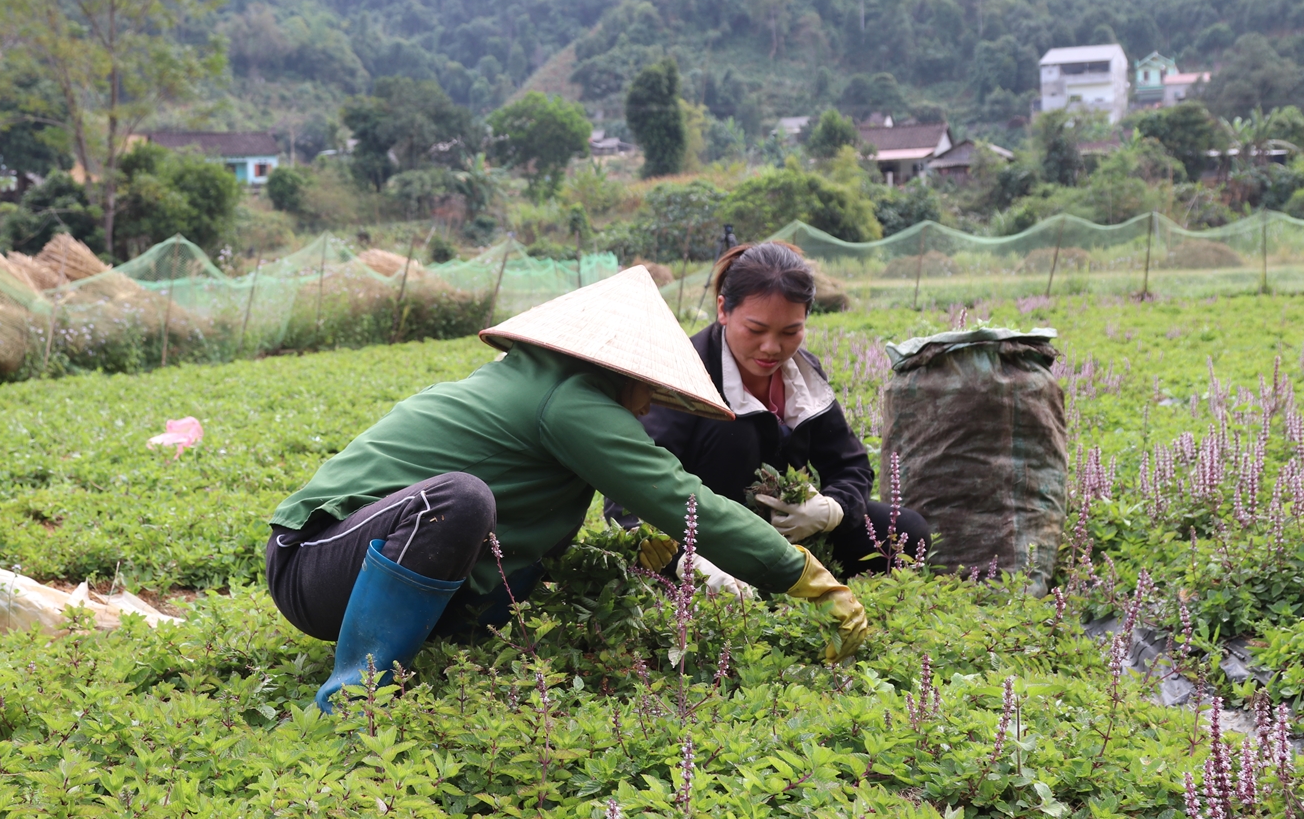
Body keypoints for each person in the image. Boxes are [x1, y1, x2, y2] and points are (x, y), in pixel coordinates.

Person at [267, 266, 869, 711]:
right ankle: (350, 698)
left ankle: (436, 657)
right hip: (313, 560)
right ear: (625, 371)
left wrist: (639, 552)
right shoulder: (571, 403)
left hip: (351, 563)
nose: (648, 406)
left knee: (548, 546)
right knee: (460, 500)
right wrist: (805, 577)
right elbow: (684, 499)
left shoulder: (545, 386)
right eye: (650, 388)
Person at [622, 241, 930, 579]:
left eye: (790, 331)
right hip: (710, 538)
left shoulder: (802, 374)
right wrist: (684, 560)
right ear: (723, 310)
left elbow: (850, 465)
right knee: (733, 432)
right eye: (755, 330)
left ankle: (788, 570)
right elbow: (630, 489)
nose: (771, 348)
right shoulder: (683, 373)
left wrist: (830, 510)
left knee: (906, 532)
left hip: (789, 534)